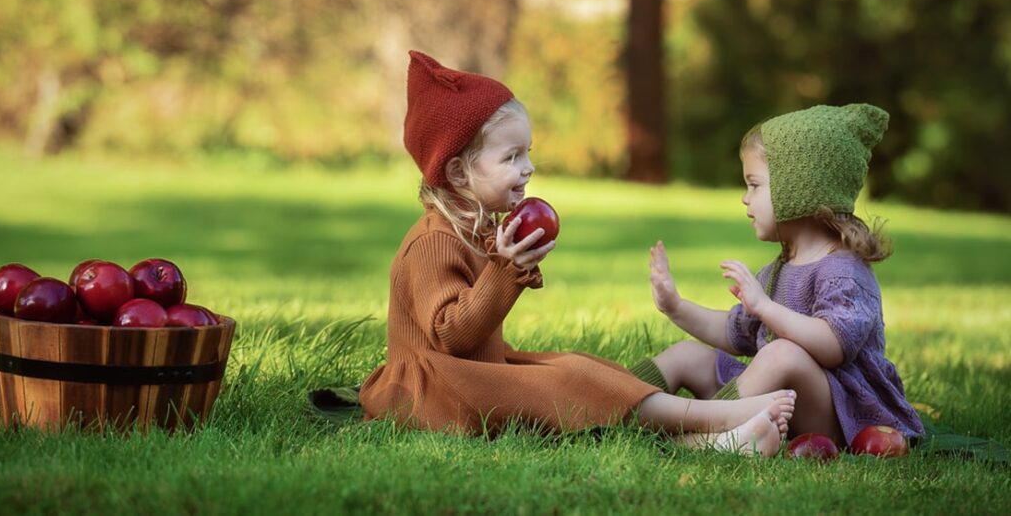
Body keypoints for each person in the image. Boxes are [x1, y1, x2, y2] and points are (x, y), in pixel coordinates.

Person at [359, 51, 795, 456]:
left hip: (472, 378)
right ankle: (716, 418)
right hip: (431, 395)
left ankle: (703, 443)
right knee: (566, 384)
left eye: (527, 153)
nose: (527, 167)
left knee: (577, 368)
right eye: (511, 156)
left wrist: (511, 264)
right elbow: (451, 335)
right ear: (457, 171)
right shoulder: (433, 242)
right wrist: (505, 270)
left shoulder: (479, 228)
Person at [634, 104, 924, 447]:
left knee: (782, 353)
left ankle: (706, 437)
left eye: (754, 185)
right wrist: (676, 307)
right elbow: (734, 333)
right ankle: (611, 402)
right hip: (779, 401)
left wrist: (764, 307)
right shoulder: (780, 269)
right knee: (688, 354)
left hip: (839, 413)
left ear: (800, 191)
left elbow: (833, 346)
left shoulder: (844, 271)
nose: (745, 199)